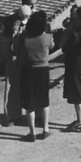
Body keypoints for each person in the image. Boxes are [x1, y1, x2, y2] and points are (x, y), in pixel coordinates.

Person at [17, 9, 55, 141]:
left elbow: (17, 49)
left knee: (29, 103)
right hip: (42, 70)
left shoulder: (24, 38)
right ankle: (45, 129)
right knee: (44, 100)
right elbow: (52, 46)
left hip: (27, 70)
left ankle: (32, 132)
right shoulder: (46, 37)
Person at [0, 4, 31, 126]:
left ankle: (20, 115)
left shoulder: (26, 20)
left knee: (22, 86)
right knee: (12, 86)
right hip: (13, 56)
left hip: (24, 56)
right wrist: (13, 37)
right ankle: (11, 116)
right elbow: (3, 37)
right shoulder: (9, 22)